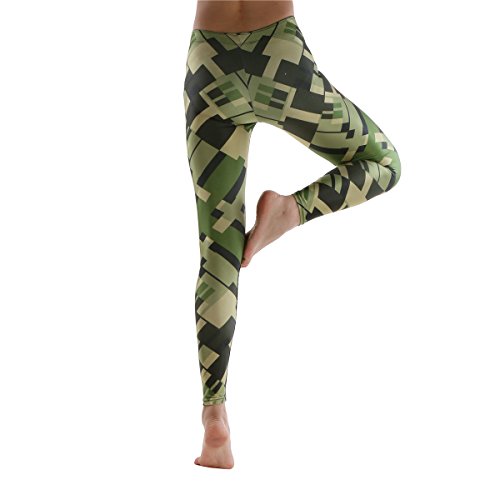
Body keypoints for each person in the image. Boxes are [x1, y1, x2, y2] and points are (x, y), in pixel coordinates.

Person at [183, 0, 401, 468]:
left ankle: (215, 414)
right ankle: (291, 210)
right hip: (279, 59)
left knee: (218, 251)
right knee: (383, 162)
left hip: (209, 66)